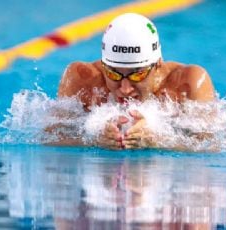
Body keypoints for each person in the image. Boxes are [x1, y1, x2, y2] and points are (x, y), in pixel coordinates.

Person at [47, 13, 216, 151]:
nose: (125, 89)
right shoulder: (81, 80)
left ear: (157, 64)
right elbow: (48, 137)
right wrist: (94, 137)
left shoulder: (188, 84)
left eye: (137, 75)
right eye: (113, 74)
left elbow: (213, 145)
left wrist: (158, 139)